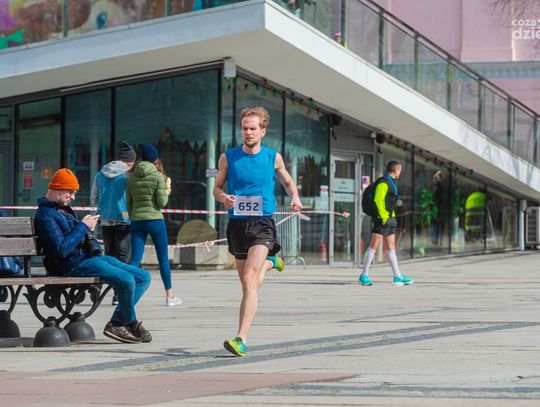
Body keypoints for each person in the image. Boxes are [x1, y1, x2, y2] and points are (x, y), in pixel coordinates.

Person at [213, 106, 303, 357]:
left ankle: (240, 338)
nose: (248, 132)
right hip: (237, 225)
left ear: (263, 131)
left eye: (253, 128)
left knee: (248, 279)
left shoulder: (273, 157)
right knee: (247, 283)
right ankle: (271, 263)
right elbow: (217, 187)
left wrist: (295, 197)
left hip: (262, 223)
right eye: (245, 128)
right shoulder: (227, 157)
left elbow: (287, 181)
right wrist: (223, 197)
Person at [35, 168, 152, 344]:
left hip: (88, 258)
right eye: (70, 192)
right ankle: (130, 323)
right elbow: (61, 249)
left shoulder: (63, 209)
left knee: (143, 277)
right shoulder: (45, 215)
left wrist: (90, 237)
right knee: (127, 280)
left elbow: (79, 236)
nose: (73, 197)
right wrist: (83, 226)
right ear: (58, 188)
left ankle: (117, 322)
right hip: (72, 265)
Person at [127, 144, 181, 307]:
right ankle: (169, 296)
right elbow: (161, 203)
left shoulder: (131, 177)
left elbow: (129, 203)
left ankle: (126, 294)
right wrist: (166, 192)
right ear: (155, 158)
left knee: (135, 259)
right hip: (155, 220)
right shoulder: (158, 176)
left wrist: (134, 216)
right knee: (163, 258)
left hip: (136, 220)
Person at [90, 141, 136, 305]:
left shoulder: (101, 173)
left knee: (109, 257)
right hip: (124, 219)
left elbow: (94, 198)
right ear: (130, 161)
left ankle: (97, 288)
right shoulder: (128, 175)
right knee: (122, 258)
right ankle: (118, 294)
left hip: (105, 219)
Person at [358, 160, 414, 286]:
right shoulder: (383, 183)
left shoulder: (391, 182)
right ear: (396, 170)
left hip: (389, 219)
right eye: (400, 170)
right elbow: (378, 201)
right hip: (382, 219)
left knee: (391, 247)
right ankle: (364, 275)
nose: (400, 172)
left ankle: (397, 276)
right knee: (374, 245)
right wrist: (383, 217)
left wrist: (390, 217)